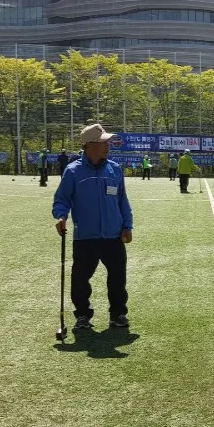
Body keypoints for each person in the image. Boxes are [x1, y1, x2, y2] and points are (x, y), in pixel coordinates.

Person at [52, 123, 133, 332]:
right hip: (85, 237)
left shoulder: (114, 169)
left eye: (108, 142)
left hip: (113, 235)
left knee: (117, 279)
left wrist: (127, 225)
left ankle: (118, 314)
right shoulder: (73, 171)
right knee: (80, 280)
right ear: (89, 145)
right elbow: (62, 199)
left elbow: (123, 200)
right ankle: (82, 316)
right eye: (103, 142)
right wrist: (61, 217)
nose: (108, 145)